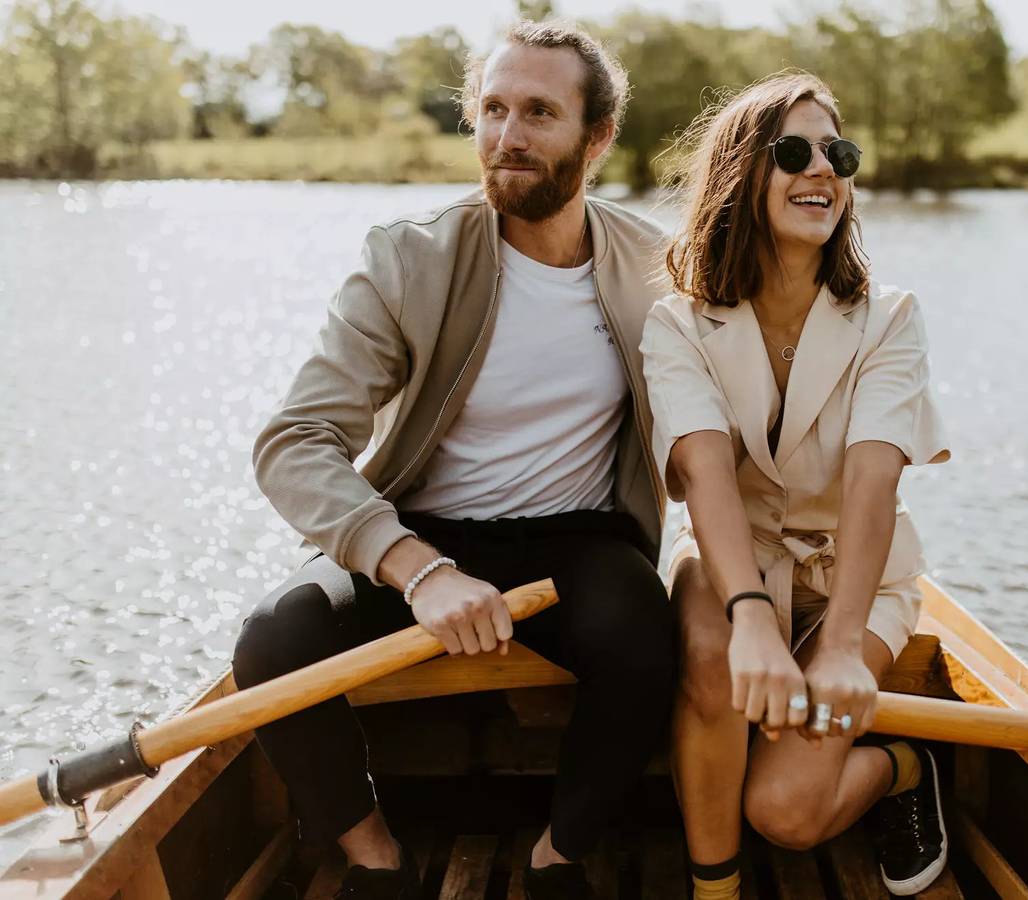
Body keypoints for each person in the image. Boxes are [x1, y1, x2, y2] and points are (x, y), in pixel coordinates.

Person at [232, 22, 674, 900]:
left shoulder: (656, 267)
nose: (508, 136)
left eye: (539, 113)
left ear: (598, 137)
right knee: (275, 638)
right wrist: (418, 569)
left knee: (649, 639)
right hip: (420, 539)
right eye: (494, 110)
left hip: (578, 545)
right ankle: (375, 859)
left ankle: (558, 859)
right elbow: (295, 442)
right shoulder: (409, 260)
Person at [639, 73, 952, 898]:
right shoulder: (679, 322)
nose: (823, 171)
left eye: (838, 154)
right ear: (744, 170)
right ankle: (715, 888)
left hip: (853, 574)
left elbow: (874, 481)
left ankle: (902, 767)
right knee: (709, 650)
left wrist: (843, 643)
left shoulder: (890, 317)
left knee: (784, 811)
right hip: (731, 555)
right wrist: (748, 618)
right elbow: (704, 474)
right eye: (794, 152)